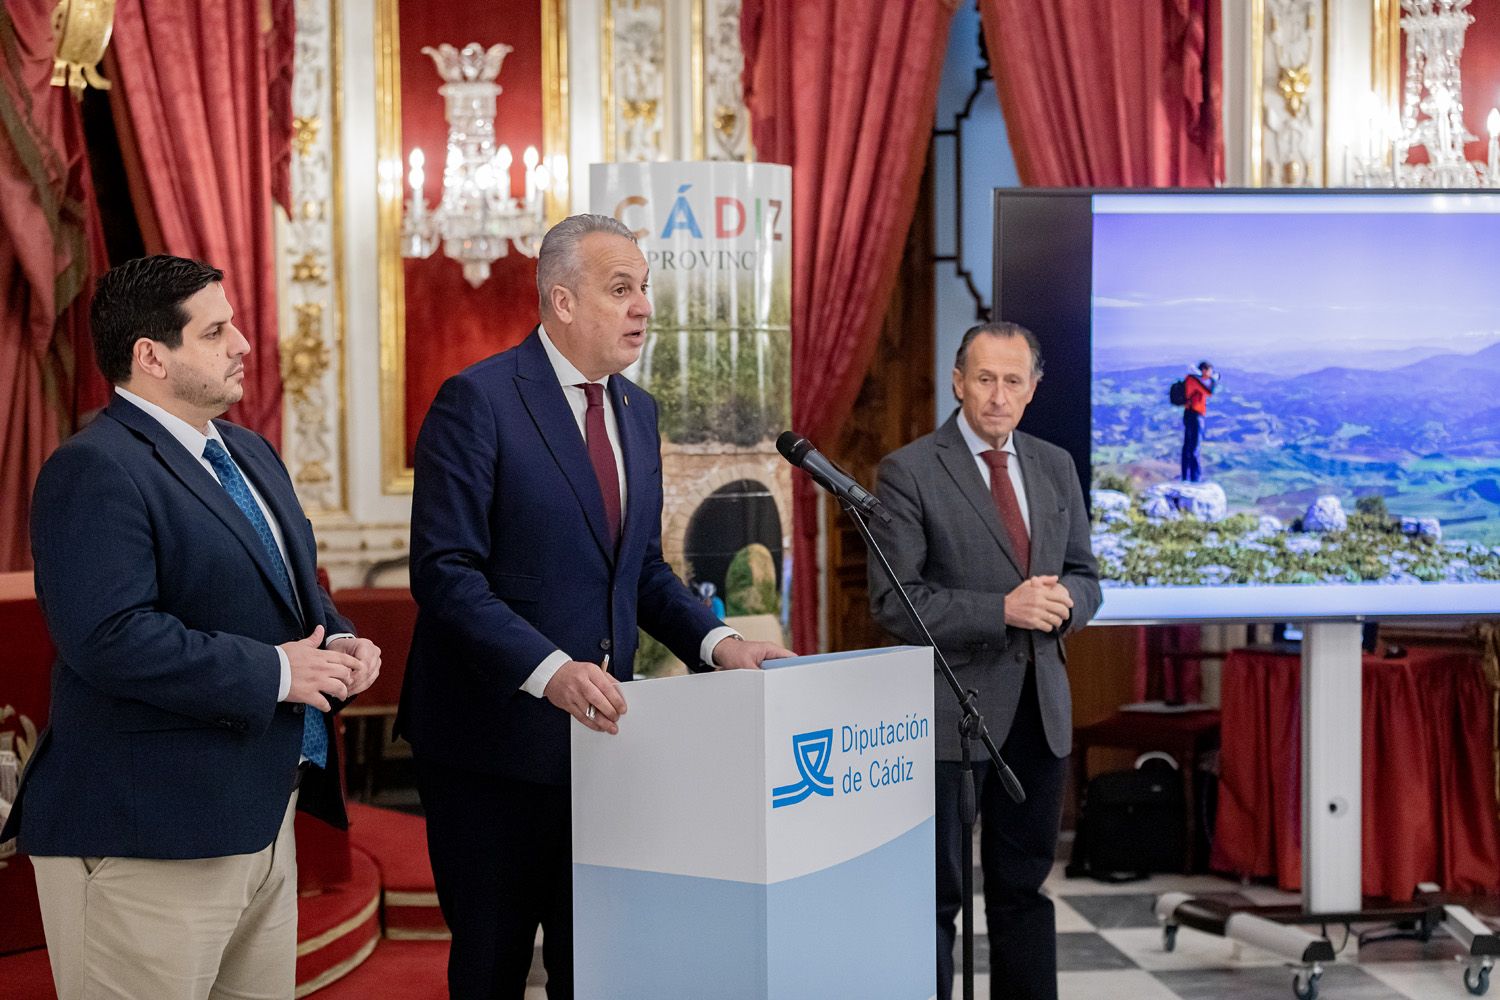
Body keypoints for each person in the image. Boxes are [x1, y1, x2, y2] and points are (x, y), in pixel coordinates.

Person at [398, 213, 792, 1000]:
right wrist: (549, 672)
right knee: (493, 965)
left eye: (645, 287)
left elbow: (638, 570)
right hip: (492, 750)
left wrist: (721, 645)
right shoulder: (477, 401)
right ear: (562, 301)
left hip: (606, 746)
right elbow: (446, 574)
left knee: (600, 963)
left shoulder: (636, 412)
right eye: (621, 289)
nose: (643, 305)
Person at [0, 255, 383, 999]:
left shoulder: (249, 451)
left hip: (263, 816)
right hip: (148, 836)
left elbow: (297, 593)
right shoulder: (93, 468)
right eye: (215, 331)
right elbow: (108, 636)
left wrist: (334, 641)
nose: (242, 343)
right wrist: (279, 673)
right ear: (152, 357)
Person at [868, 321, 1101, 1000]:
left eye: (1013, 381)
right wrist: (1003, 610)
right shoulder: (909, 470)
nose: (998, 395)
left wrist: (1066, 603)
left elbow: (1086, 575)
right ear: (958, 381)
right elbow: (895, 601)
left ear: (1032, 389)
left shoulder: (1054, 464)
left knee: (1023, 892)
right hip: (949, 717)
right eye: (985, 378)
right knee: (936, 900)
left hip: (1040, 715)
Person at [1180, 360, 1218, 482]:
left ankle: (1185, 476)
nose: (1210, 374)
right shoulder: (1195, 380)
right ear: (1204, 370)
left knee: (1187, 447)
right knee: (1194, 448)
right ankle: (1195, 479)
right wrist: (1213, 380)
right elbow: (1209, 392)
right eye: (1210, 372)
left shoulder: (1190, 379)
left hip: (1189, 414)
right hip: (1195, 415)